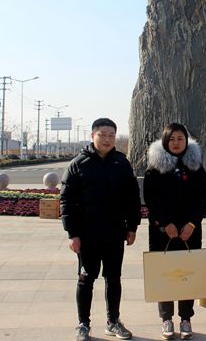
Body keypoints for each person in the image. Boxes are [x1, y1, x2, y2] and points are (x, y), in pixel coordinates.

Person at [60, 118, 141, 341]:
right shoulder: (78, 164)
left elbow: (133, 197)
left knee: (114, 279)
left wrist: (132, 226)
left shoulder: (121, 163)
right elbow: (66, 201)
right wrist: (72, 234)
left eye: (111, 135)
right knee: (86, 279)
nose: (107, 139)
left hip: (115, 233)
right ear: (92, 136)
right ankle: (83, 324)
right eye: (102, 135)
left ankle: (113, 321)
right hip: (88, 235)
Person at [144, 123, 206, 340]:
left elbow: (203, 196)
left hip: (189, 231)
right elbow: (151, 198)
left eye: (180, 138)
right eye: (171, 139)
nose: (176, 142)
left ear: (186, 141)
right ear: (165, 141)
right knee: (165, 273)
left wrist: (192, 223)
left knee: (187, 274)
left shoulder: (195, 166)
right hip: (163, 231)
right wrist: (166, 223)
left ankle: (186, 318)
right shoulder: (155, 167)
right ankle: (166, 318)